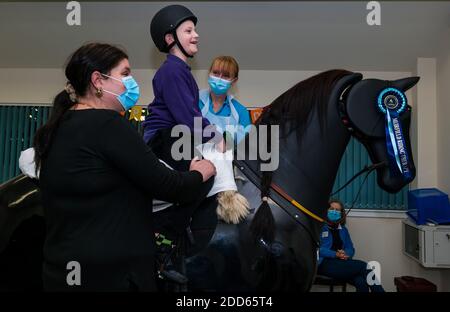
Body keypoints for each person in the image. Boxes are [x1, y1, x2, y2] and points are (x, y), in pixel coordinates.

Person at [33, 43, 216, 291]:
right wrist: (200, 172)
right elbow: (169, 186)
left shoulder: (56, 128)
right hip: (112, 276)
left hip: (61, 272)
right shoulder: (108, 125)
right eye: (125, 73)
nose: (132, 82)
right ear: (98, 80)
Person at [142, 5, 223, 242]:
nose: (196, 35)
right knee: (203, 179)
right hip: (166, 138)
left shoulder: (180, 71)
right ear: (170, 39)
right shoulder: (172, 71)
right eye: (188, 31)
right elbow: (188, 117)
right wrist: (216, 137)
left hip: (175, 136)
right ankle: (165, 236)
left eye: (194, 30)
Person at [318, 199, 385, 292]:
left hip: (341, 263)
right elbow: (318, 249)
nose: (334, 211)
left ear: (341, 213)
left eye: (337, 210)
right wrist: (335, 254)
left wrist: (345, 253)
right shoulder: (319, 227)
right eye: (331, 208)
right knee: (364, 266)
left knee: (361, 281)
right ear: (326, 210)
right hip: (324, 263)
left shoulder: (343, 230)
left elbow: (351, 248)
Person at [199, 56, 251, 147]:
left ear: (234, 81)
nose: (219, 79)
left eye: (226, 76)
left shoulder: (241, 112)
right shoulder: (194, 101)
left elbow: (245, 146)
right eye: (215, 73)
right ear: (209, 73)